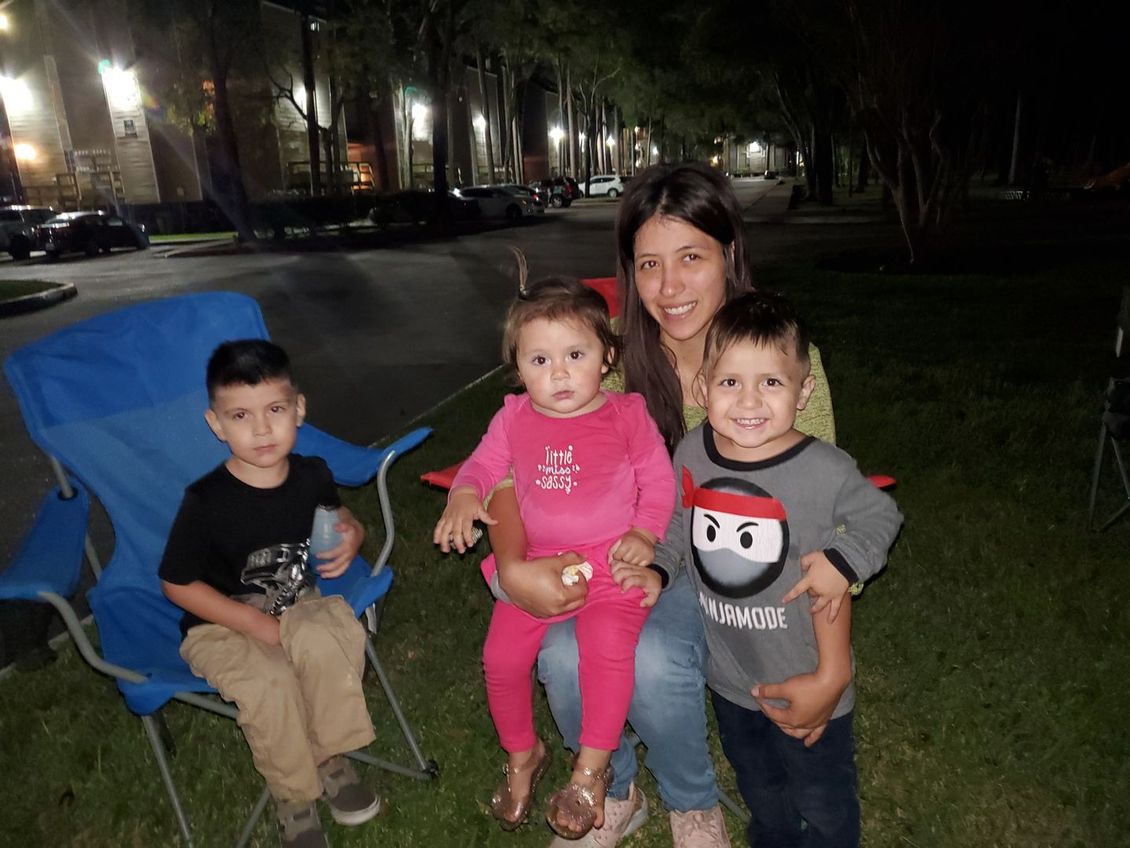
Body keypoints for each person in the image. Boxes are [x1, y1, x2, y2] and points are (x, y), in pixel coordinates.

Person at [484, 162, 853, 848]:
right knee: (561, 657)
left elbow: (824, 512)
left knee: (653, 661)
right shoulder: (602, 353)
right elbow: (510, 462)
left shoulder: (777, 360)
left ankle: (692, 803)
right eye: (648, 263)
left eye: (691, 257)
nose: (670, 286)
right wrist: (510, 566)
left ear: (730, 253)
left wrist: (833, 667)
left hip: (731, 570)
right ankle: (611, 788)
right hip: (621, 556)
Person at [654, 291, 902, 846]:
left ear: (803, 390)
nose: (749, 402)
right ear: (702, 389)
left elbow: (880, 514)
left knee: (823, 797)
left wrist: (844, 561)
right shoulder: (692, 453)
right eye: (730, 383)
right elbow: (677, 523)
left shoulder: (823, 467)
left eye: (771, 382)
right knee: (760, 785)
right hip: (733, 678)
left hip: (807, 673)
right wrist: (659, 568)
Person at [434, 277, 676, 839]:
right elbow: (481, 467)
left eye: (575, 354)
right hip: (541, 563)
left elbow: (659, 483)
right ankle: (523, 753)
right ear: (518, 368)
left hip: (611, 563)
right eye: (540, 359)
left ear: (607, 358)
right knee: (500, 660)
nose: (560, 373)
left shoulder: (626, 415)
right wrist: (465, 493)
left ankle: (591, 771)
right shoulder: (515, 417)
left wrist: (644, 531)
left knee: (605, 649)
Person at [159, 340, 381, 848]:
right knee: (271, 682)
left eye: (275, 410)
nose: (261, 429)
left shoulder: (312, 475)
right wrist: (257, 626)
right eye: (240, 415)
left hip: (298, 603)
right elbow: (175, 581)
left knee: (333, 636)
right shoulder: (206, 502)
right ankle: (294, 796)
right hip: (219, 625)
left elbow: (338, 516)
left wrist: (355, 534)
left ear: (298, 409)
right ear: (216, 424)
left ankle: (328, 758)